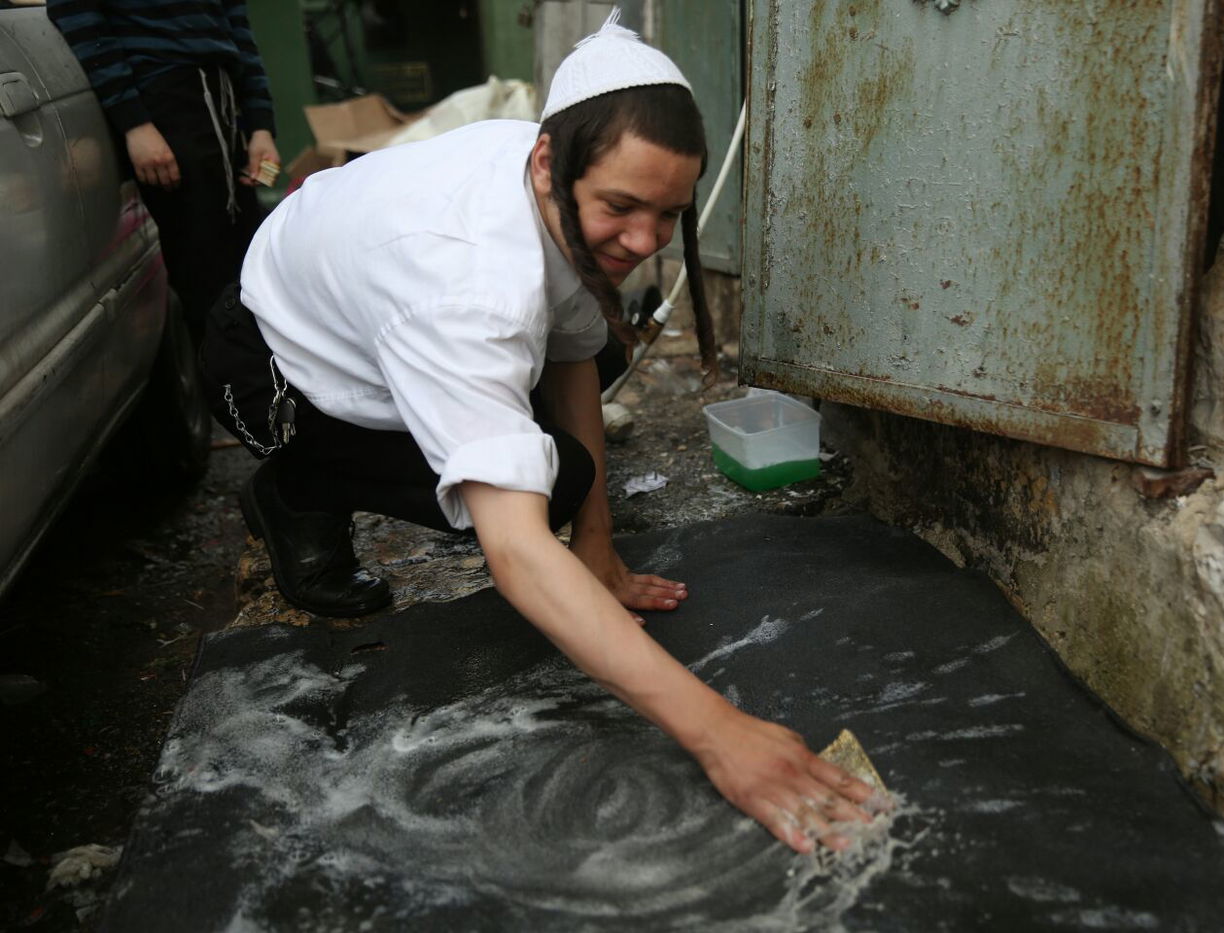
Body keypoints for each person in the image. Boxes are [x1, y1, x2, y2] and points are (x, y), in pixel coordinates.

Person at [201, 11, 876, 854]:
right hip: (265, 367)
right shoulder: (468, 281)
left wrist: (597, 550)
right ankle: (294, 490)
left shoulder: (554, 165)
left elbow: (573, 349)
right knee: (539, 481)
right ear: (551, 161)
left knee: (576, 425)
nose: (644, 240)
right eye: (622, 208)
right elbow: (514, 552)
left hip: (365, 306)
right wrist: (720, 732)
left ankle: (353, 464)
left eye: (669, 213)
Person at [47, 0, 280, 345]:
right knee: (208, 281)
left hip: (223, 98)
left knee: (249, 263)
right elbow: (78, 14)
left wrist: (260, 125)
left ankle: (261, 386)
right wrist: (135, 122)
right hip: (163, 99)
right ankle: (231, 393)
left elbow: (237, 25)